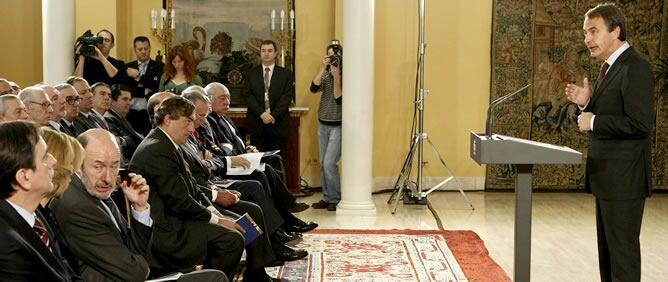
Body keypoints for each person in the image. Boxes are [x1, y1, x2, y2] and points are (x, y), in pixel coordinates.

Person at [129, 96, 281, 281]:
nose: (192, 129)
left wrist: (216, 213)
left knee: (245, 225)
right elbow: (181, 202)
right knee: (232, 239)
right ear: (168, 119)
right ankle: (210, 278)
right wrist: (217, 220)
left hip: (180, 217)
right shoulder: (157, 150)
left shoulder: (168, 143)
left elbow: (193, 188)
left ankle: (255, 276)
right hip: (168, 229)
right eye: (187, 122)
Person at [564, 3, 655, 281]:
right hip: (609, 179)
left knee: (622, 259)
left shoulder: (634, 67)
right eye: (584, 33)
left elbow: (640, 124)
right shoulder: (610, 67)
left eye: (593, 31)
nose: (587, 39)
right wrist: (588, 103)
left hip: (624, 181)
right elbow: (614, 113)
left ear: (616, 30)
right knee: (609, 258)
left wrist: (593, 121)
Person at [50, 129, 154, 281]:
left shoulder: (95, 190)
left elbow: (132, 254)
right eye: (98, 166)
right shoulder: (77, 206)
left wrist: (139, 208)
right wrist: (138, 266)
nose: (107, 178)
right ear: (78, 164)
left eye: (113, 166)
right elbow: (134, 272)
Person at [0, 120, 80, 281]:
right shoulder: (7, 245)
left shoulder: (37, 213)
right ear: (24, 177)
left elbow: (67, 274)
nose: (53, 161)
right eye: (45, 157)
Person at [242, 40, 294, 162]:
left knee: (278, 161)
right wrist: (262, 113)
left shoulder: (286, 74)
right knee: (258, 161)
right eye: (263, 51)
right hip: (257, 124)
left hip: (278, 124)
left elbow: (287, 96)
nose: (266, 54)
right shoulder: (251, 74)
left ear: (276, 53)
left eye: (270, 51)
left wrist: (273, 115)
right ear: (260, 53)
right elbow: (247, 95)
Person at [309, 41, 343, 211]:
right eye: (330, 56)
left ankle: (336, 199)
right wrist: (323, 68)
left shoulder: (345, 75)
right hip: (323, 123)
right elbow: (313, 88)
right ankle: (327, 197)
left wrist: (337, 75)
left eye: (335, 56)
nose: (333, 59)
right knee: (323, 163)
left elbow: (339, 99)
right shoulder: (325, 74)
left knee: (330, 163)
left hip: (338, 126)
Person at [126, 36, 164, 135]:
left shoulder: (159, 67)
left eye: (146, 49)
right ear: (135, 50)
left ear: (150, 48)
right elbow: (127, 90)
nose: (143, 51)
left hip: (149, 113)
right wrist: (145, 90)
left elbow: (156, 87)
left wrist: (138, 76)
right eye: (140, 49)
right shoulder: (128, 67)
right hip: (131, 112)